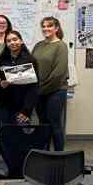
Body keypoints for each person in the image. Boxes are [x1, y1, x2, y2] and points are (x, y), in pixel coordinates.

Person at [32, 16, 69, 151]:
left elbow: (58, 73)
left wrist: (40, 90)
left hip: (55, 91)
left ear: (56, 28)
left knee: (55, 125)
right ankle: (44, 153)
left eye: (49, 26)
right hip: (39, 91)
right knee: (43, 124)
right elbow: (32, 67)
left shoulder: (61, 46)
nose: (46, 29)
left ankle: (59, 156)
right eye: (44, 26)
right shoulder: (38, 45)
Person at [0, 31, 39, 128]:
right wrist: (0, 84)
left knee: (21, 137)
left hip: (23, 106)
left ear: (21, 41)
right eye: (8, 41)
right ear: (6, 44)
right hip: (5, 106)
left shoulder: (30, 60)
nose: (12, 43)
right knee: (7, 136)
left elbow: (34, 87)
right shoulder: (0, 61)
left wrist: (26, 110)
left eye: (15, 39)